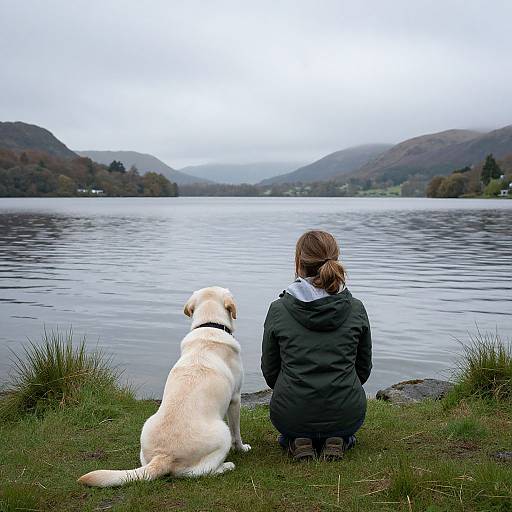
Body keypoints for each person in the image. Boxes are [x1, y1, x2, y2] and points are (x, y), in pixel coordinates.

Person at [261, 230, 372, 460]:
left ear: (299, 264)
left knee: (295, 427)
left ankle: (296, 440)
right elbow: (363, 368)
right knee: (340, 425)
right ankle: (339, 439)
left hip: (291, 415)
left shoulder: (278, 309)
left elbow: (270, 372)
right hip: (346, 414)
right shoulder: (356, 308)